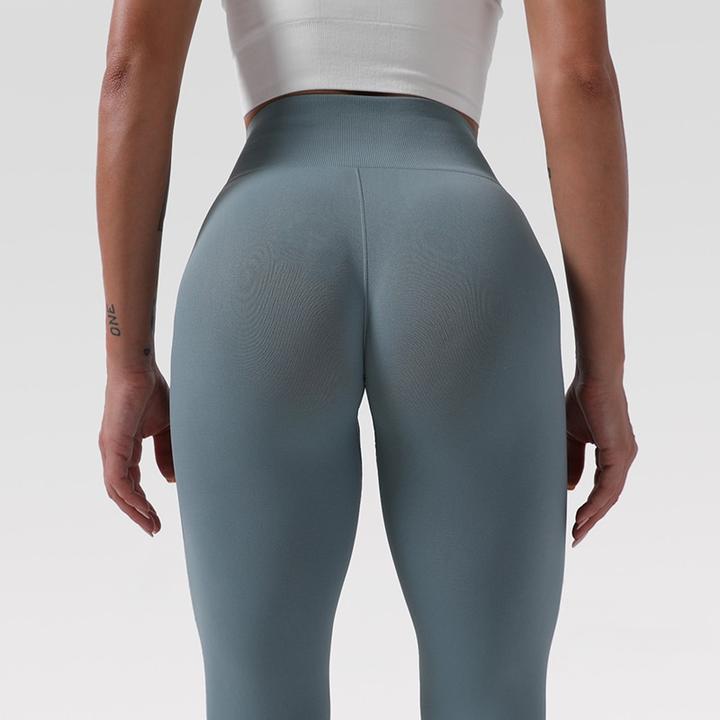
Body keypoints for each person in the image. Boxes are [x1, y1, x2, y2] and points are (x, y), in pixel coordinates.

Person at [96, 0, 638, 717]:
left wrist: (126, 362)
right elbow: (581, 76)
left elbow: (130, 72)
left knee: (256, 693)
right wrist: (603, 374)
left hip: (259, 257)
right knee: (493, 693)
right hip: (467, 254)